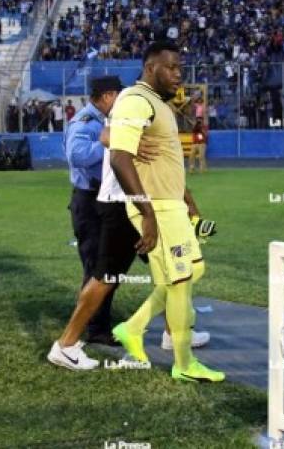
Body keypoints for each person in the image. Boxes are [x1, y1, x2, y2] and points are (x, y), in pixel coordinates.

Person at [108, 41, 223, 382]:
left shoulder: (159, 104)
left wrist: (187, 199)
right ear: (149, 67)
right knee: (181, 280)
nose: (177, 74)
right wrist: (147, 214)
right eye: (170, 67)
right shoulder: (135, 99)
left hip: (171, 204)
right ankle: (184, 364)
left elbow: (166, 159)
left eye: (180, 68)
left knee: (194, 270)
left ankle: (134, 326)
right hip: (155, 206)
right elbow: (119, 157)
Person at [61, 76, 126, 345]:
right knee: (96, 267)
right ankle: (94, 329)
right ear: (108, 96)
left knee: (108, 265)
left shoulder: (102, 120)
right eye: (119, 96)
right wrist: (106, 142)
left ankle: (97, 323)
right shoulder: (86, 121)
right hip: (89, 202)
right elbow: (76, 155)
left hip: (103, 199)